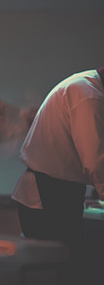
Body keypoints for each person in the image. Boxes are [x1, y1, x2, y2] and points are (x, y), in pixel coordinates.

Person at [12, 68, 104, 269]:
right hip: (49, 193)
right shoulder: (88, 94)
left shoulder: (83, 85)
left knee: (55, 269)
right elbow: (96, 160)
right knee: (60, 270)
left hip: (53, 190)